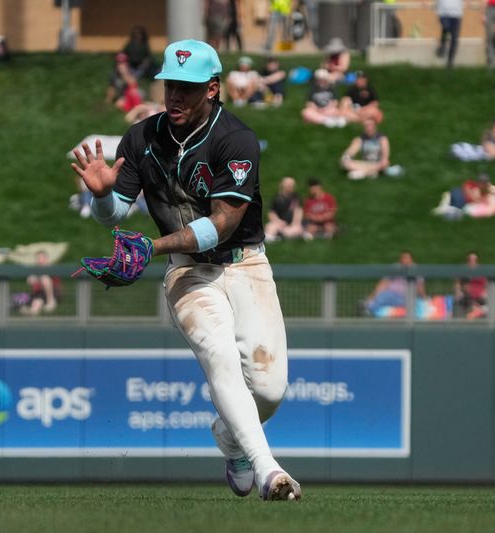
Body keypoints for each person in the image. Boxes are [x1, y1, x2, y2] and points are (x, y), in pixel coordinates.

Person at [70, 39, 301, 501]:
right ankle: (268, 470)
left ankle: (230, 438)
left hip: (246, 263)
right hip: (188, 273)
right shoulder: (143, 135)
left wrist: (150, 245)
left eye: (188, 87)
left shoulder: (235, 138)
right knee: (218, 355)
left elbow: (222, 224)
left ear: (213, 88)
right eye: (170, 84)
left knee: (270, 390)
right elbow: (115, 214)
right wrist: (100, 196)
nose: (174, 95)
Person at [364, 251, 426, 317]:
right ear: (400, 260)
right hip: (391, 295)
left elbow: (420, 287)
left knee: (386, 295)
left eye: (407, 258)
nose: (405, 260)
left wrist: (424, 298)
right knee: (384, 295)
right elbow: (384, 283)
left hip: (404, 297)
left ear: (411, 259)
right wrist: (373, 295)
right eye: (403, 258)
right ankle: (369, 305)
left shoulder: (415, 270)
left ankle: (368, 307)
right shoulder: (396, 268)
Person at [13, 251, 61, 316]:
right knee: (37, 303)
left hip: (53, 293)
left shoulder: (51, 268)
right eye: (38, 259)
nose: (40, 261)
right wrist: (37, 279)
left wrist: (38, 279)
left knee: (45, 279)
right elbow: (29, 280)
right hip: (40, 294)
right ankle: (30, 312)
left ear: (47, 259)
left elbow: (48, 280)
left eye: (42, 258)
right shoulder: (35, 270)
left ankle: (51, 302)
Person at [264, 177, 303, 241]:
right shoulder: (277, 198)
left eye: (291, 185)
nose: (290, 186)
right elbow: (271, 213)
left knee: (297, 229)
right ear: (282, 185)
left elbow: (298, 211)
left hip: (291, 225)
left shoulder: (296, 198)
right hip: (279, 223)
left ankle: (278, 236)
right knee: (269, 226)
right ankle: (274, 237)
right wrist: (278, 221)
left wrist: (295, 222)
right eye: (288, 185)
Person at [454, 251, 488, 319]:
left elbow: (486, 284)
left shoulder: (482, 270)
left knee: (485, 299)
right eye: (470, 260)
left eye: (474, 260)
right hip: (467, 294)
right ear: (468, 261)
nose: (472, 262)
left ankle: (474, 313)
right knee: (465, 296)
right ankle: (476, 311)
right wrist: (458, 292)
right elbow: (457, 284)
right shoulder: (463, 270)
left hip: (479, 294)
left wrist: (485, 292)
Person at [434, 0, 464, 68]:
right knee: (446, 28)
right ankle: (443, 44)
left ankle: (450, 61)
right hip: (443, 13)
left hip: (457, 14)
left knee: (454, 39)